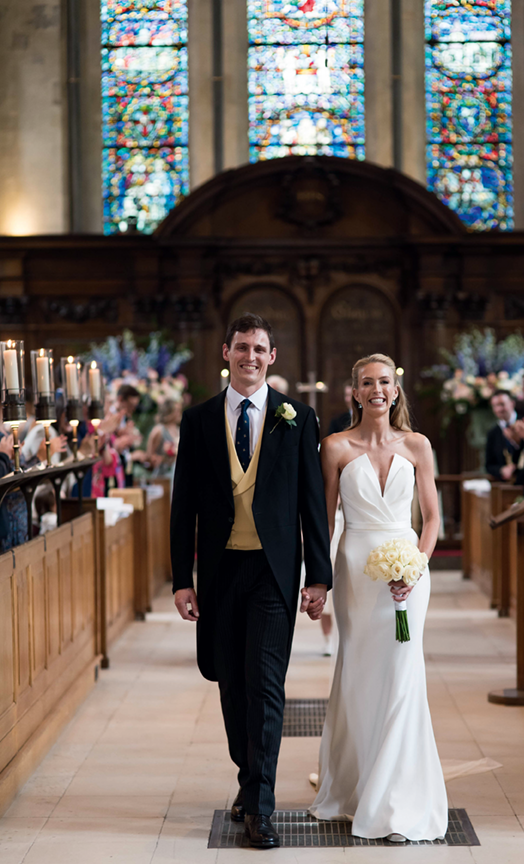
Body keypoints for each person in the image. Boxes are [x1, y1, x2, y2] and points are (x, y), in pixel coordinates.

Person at [171, 313, 332, 849]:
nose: (250, 357)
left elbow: (313, 503)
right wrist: (181, 579)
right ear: (225, 352)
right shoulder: (197, 421)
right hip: (219, 572)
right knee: (231, 684)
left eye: (259, 349)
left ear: (272, 356)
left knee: (265, 686)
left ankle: (261, 806)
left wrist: (320, 576)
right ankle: (249, 777)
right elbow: (183, 506)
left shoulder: (299, 418)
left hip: (273, 573)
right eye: (241, 347)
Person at [309, 353, 447, 842]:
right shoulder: (334, 447)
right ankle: (357, 784)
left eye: (384, 382)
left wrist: (418, 564)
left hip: (409, 573)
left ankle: (396, 799)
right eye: (367, 383)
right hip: (355, 574)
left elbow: (430, 519)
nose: (376, 390)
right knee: (362, 675)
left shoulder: (418, 445)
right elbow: (324, 521)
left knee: (404, 673)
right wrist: (318, 579)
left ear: (395, 388)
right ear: (354, 392)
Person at [145, 399, 182, 478]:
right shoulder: (159, 430)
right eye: (177, 411)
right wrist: (164, 457)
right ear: (169, 412)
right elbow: (149, 456)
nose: (180, 413)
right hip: (162, 475)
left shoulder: (179, 430)